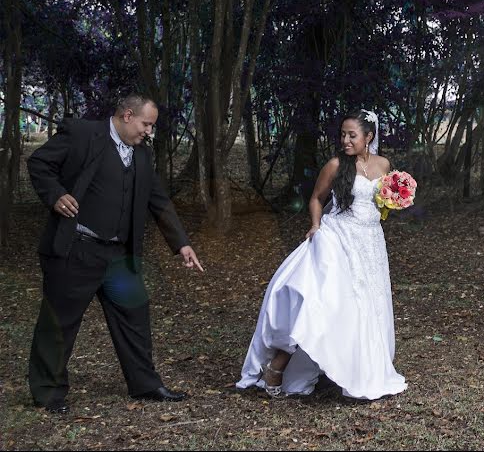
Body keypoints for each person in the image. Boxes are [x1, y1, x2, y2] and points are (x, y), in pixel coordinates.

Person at [27, 93, 204, 414]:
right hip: (76, 251)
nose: (149, 132)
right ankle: (48, 393)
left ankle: (146, 385)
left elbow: (158, 200)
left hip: (119, 256)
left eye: (151, 127)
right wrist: (55, 195)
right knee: (59, 323)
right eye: (146, 124)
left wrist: (181, 243)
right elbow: (39, 163)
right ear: (126, 115)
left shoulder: (141, 156)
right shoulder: (82, 134)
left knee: (135, 318)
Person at [237, 109, 407, 400]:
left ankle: (357, 367)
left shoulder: (384, 165)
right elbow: (316, 199)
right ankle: (278, 366)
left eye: (352, 135)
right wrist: (315, 225)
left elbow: (381, 204)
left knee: (368, 304)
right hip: (338, 237)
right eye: (342, 134)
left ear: (369, 137)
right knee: (324, 300)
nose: (345, 140)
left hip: (370, 242)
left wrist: (392, 202)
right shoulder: (335, 165)